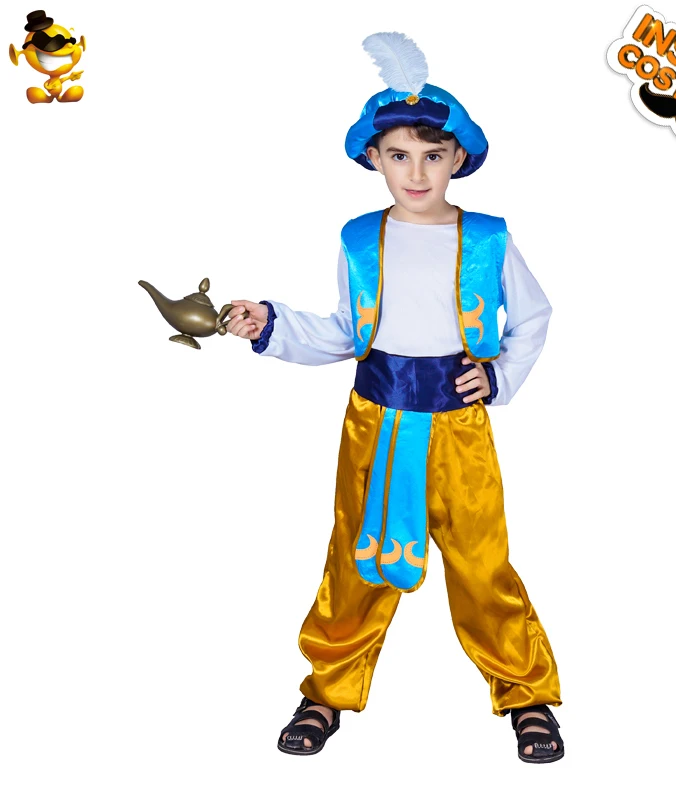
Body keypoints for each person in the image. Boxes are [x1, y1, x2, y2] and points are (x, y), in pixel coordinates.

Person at [226, 32, 564, 763]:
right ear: (373, 158)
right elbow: (345, 332)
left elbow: (533, 316)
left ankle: (525, 694)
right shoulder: (359, 240)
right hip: (373, 424)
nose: (416, 172)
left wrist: (498, 375)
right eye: (399, 156)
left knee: (481, 562)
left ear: (458, 159)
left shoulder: (488, 238)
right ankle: (327, 690)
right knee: (357, 558)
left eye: (433, 156)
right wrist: (270, 324)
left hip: (459, 427)